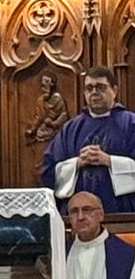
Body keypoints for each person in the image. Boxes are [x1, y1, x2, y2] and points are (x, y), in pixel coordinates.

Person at [39, 66, 135, 213]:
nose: (94, 93)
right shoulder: (70, 128)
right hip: (79, 216)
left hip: (122, 212)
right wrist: (77, 163)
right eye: (89, 88)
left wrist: (109, 161)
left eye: (101, 87)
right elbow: (47, 170)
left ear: (114, 91)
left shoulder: (130, 124)